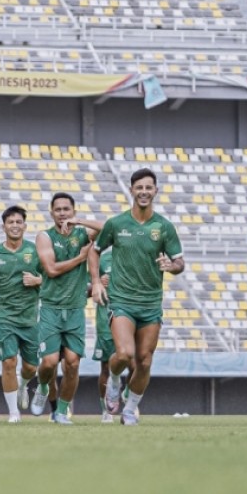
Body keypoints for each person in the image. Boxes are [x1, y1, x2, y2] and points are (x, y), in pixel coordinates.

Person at [88, 168, 184, 426]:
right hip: (121, 301)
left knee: (144, 361)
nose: (144, 192)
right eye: (139, 187)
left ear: (155, 190)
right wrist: (96, 282)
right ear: (131, 190)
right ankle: (115, 381)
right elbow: (94, 251)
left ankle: (130, 410)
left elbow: (180, 262)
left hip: (151, 304)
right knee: (124, 353)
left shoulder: (164, 227)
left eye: (148, 187)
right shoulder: (116, 224)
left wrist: (171, 266)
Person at [35, 193, 102, 425]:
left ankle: (62, 412)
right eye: (58, 209)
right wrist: (80, 257)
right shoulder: (44, 237)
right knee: (49, 363)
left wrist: (81, 222)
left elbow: (108, 228)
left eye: (66, 209)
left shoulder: (82, 233)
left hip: (75, 308)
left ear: (73, 210)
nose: (62, 213)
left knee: (73, 363)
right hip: (51, 308)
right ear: (51, 212)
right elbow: (51, 269)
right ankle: (43, 386)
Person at [0, 205, 42, 424]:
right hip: (3, 316)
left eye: (18, 222)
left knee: (31, 367)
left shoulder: (35, 251)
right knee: (9, 361)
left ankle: (23, 385)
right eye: (10, 222)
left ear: (25, 226)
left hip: (30, 316)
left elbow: (51, 278)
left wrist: (38, 280)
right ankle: (14, 413)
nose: (15, 225)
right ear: (3, 226)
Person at [91, 249, 124, 423]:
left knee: (133, 362)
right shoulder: (102, 260)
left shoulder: (137, 256)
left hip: (131, 316)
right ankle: (106, 411)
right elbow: (87, 289)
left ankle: (129, 400)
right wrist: (98, 284)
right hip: (106, 319)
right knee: (105, 367)